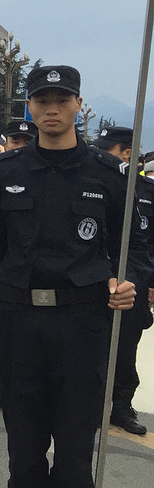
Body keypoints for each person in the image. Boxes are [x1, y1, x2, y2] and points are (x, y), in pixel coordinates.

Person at [0, 65, 135, 488]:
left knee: (77, 454)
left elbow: (135, 247)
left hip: (83, 324)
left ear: (79, 105)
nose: (52, 108)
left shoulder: (109, 174)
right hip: (17, 321)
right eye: (42, 100)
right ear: (30, 107)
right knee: (24, 449)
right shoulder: (5, 173)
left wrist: (128, 280)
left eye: (62, 99)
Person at [89, 125, 152, 436]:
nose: (99, 156)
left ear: (127, 153)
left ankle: (122, 406)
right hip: (97, 279)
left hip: (135, 280)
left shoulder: (148, 192)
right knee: (91, 346)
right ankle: (92, 403)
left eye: (107, 150)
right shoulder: (92, 186)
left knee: (126, 347)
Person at [0, 120, 38, 412]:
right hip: (5, 276)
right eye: (15, 141)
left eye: (26, 141)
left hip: (38, 276)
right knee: (0, 338)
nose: (20, 147)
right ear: (7, 143)